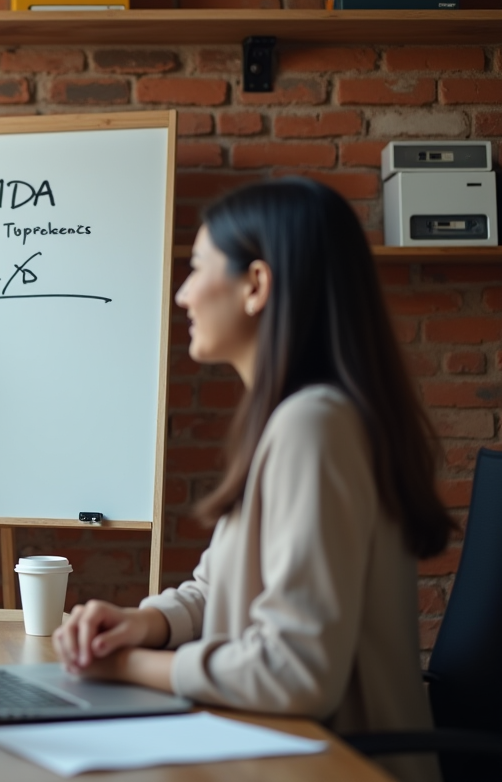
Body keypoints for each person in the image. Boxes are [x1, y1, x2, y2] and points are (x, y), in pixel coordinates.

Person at [53, 178, 452, 782]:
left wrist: (130, 667)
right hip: (271, 750)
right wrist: (145, 623)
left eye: (196, 268)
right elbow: (217, 588)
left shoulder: (314, 427)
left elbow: (294, 671)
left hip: (333, 766)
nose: (183, 294)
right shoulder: (292, 421)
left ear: (256, 286)